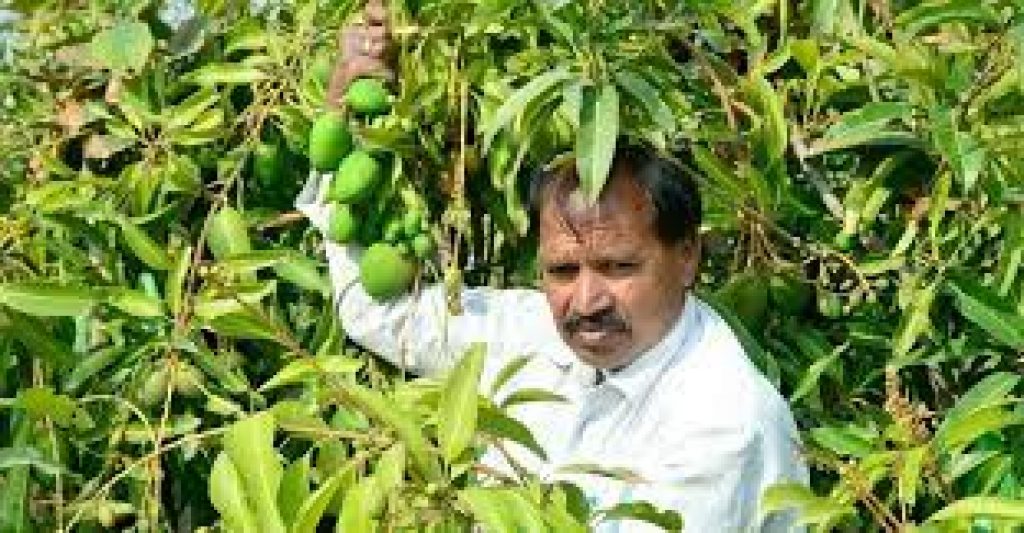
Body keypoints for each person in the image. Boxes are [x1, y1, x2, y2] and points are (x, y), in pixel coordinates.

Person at [298, 3, 808, 530]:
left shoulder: (723, 423)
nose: (586, 301)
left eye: (618, 267)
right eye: (563, 272)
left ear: (686, 258)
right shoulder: (527, 333)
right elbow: (382, 315)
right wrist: (348, 110)